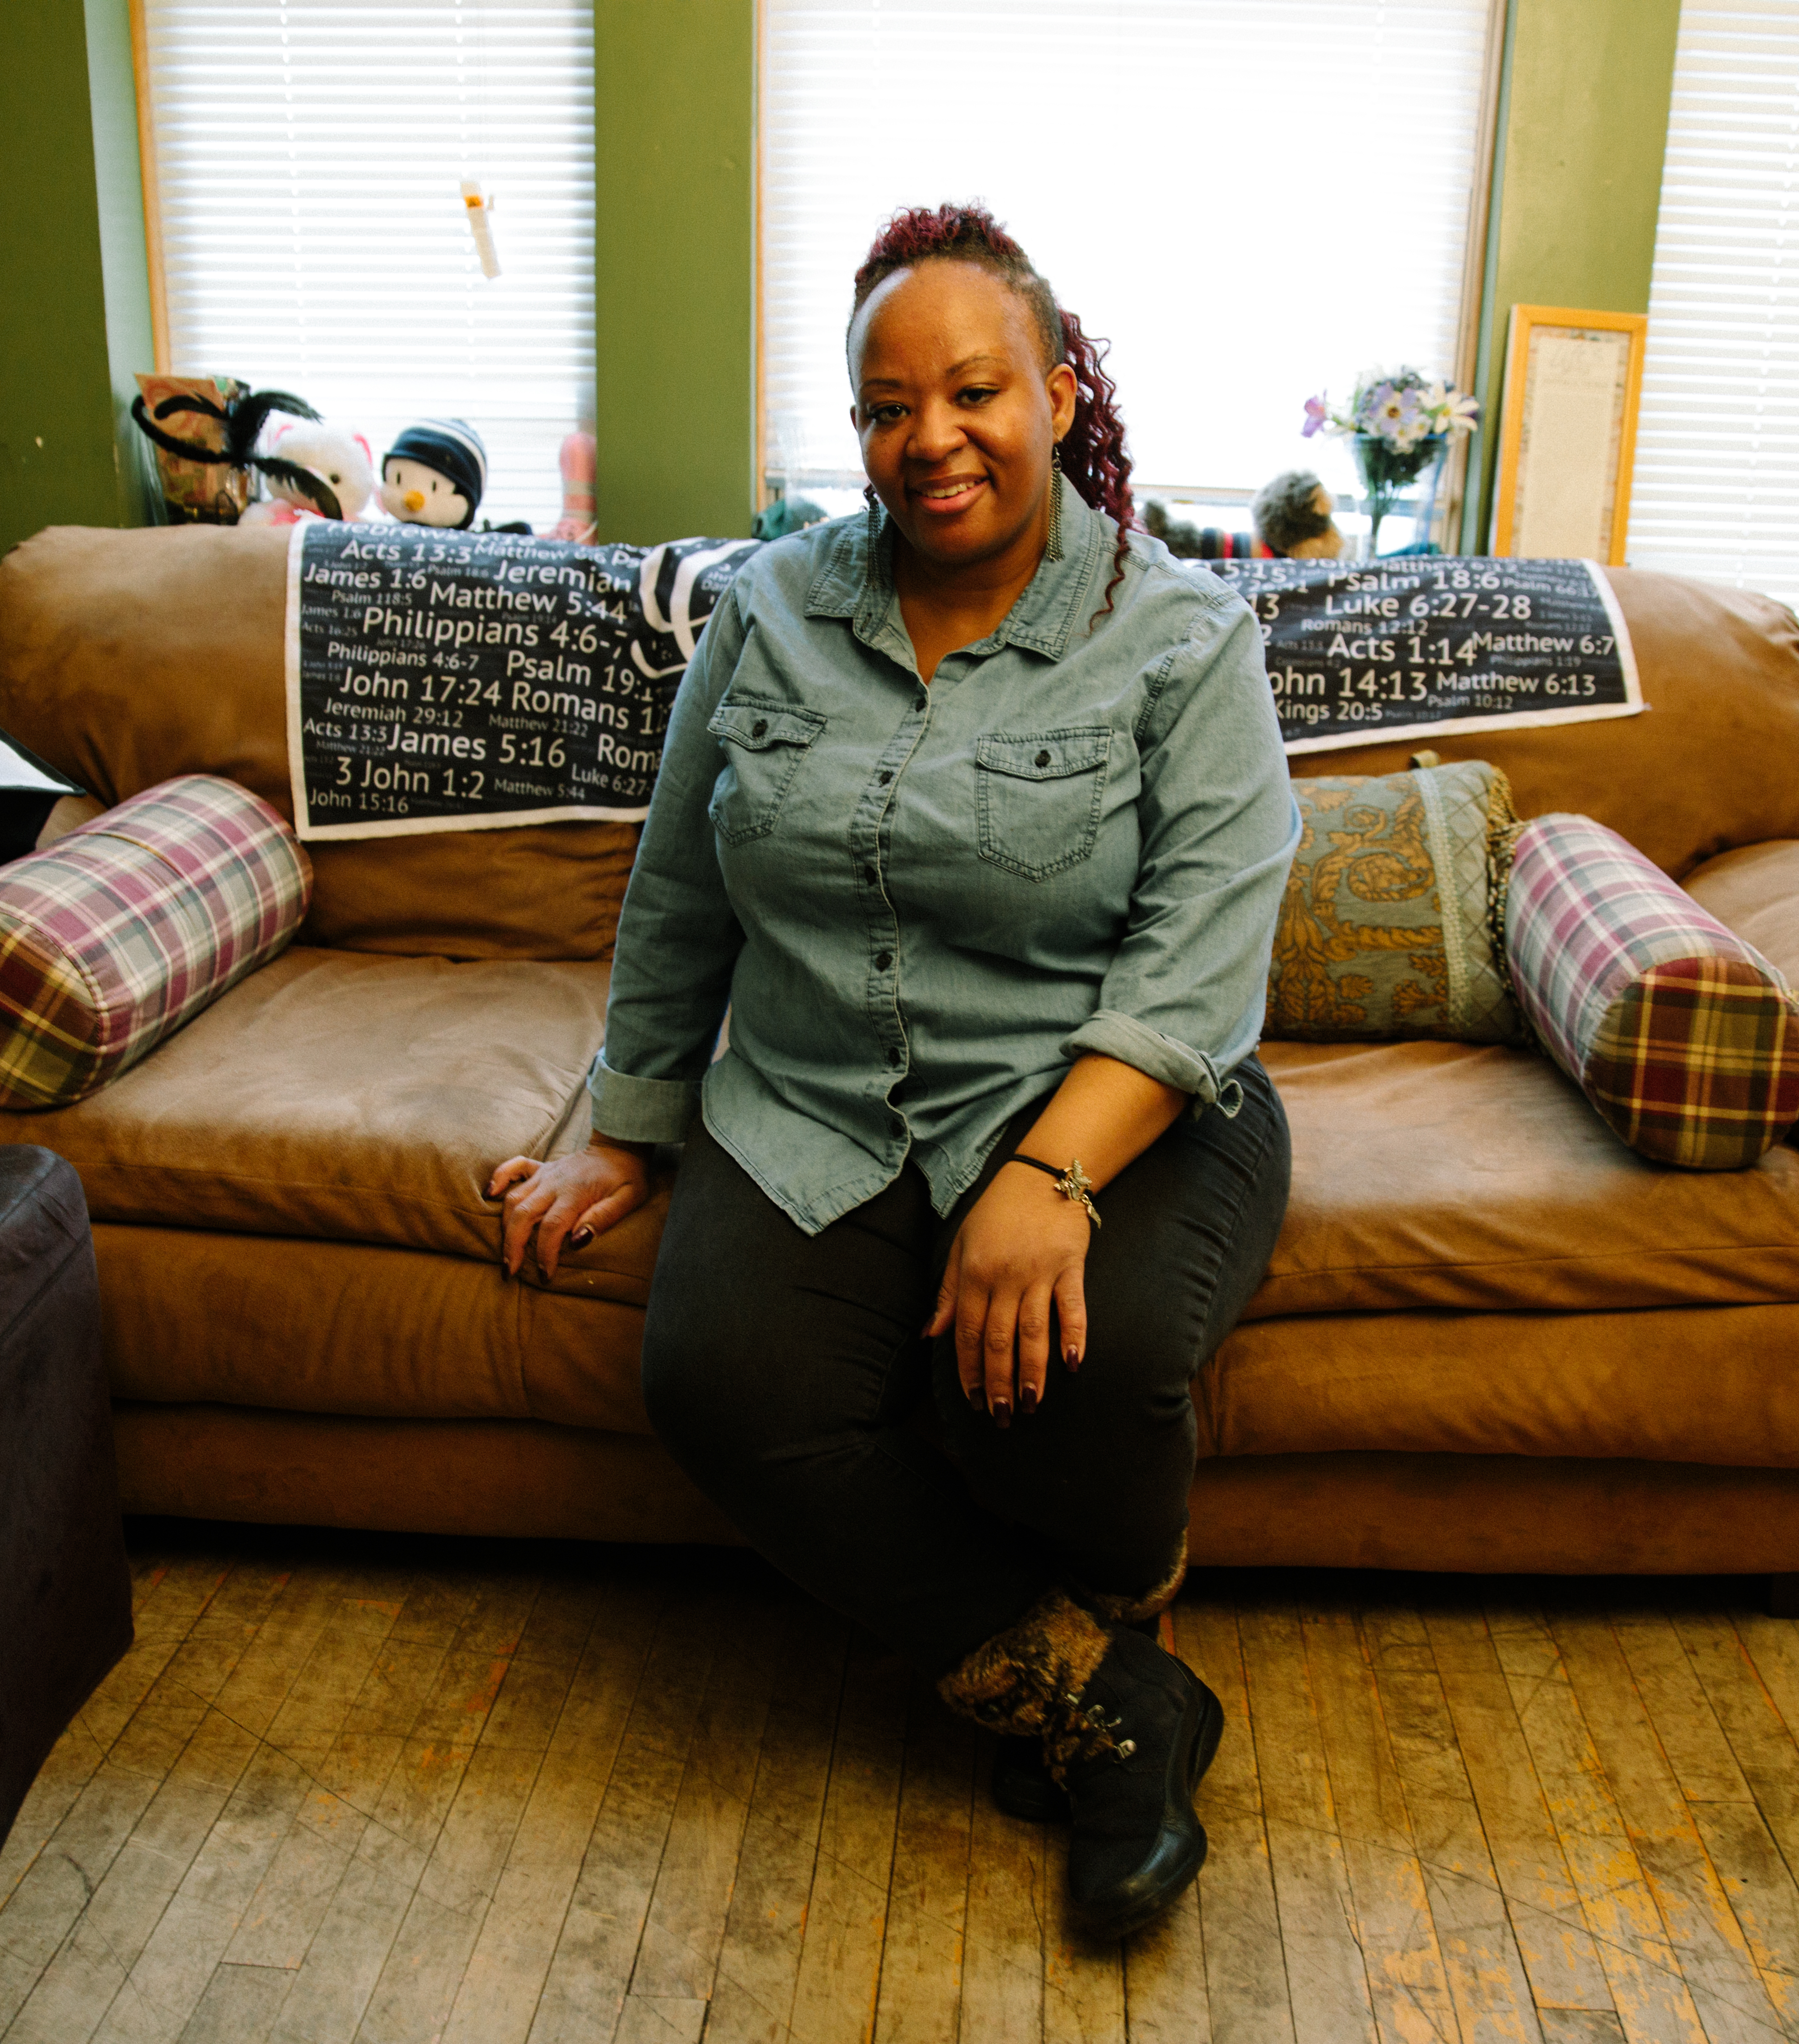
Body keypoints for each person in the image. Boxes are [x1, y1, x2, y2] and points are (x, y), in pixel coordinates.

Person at [489, 204, 1297, 1940]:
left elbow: (1203, 956)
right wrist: (623, 1127)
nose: (928, 440)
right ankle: (1121, 1704)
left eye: (976, 390)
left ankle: (1108, 1655)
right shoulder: (768, 610)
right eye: (883, 405)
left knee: (1071, 1361)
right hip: (813, 1102)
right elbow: (682, 887)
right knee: (716, 1375)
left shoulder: (1182, 638)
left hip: (1122, 1098)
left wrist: (1051, 1177)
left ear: (1062, 391)